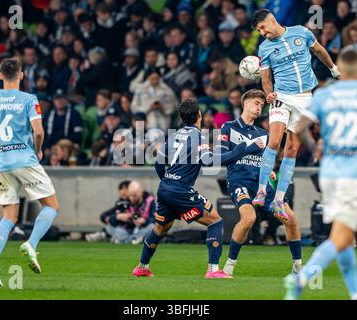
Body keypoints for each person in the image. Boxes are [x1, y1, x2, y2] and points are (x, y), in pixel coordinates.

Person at [286, 48, 357, 300]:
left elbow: (299, 127)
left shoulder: (324, 94)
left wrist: (315, 150)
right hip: (354, 175)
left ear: (339, 68)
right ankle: (300, 279)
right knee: (343, 235)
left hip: (329, 173)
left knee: (342, 233)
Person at [132, 98, 256, 279]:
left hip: (165, 187)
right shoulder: (199, 136)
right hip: (180, 190)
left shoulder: (174, 134)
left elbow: (158, 161)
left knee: (161, 228)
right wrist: (242, 150)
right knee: (215, 221)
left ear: (182, 118)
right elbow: (210, 159)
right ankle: (213, 271)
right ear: (199, 115)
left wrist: (167, 180)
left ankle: (142, 267)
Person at [0, 58, 60, 286]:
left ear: (1, 76)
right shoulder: (29, 99)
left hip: (3, 164)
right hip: (25, 159)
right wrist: (38, 150)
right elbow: (38, 131)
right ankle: (30, 244)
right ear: (21, 75)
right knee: (52, 206)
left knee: (9, 217)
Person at [251, 9, 339, 221]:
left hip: (304, 99)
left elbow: (319, 50)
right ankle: (262, 190)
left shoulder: (301, 32)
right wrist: (268, 92)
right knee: (274, 141)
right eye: (258, 30)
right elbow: (265, 77)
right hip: (281, 96)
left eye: (262, 27)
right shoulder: (264, 48)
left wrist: (334, 68)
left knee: (291, 149)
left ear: (272, 21)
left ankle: (279, 200)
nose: (262, 33)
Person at [218, 89, 302, 277]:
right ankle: (229, 265)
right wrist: (247, 148)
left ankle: (298, 266)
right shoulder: (228, 127)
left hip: (260, 185)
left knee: (291, 218)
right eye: (256, 103)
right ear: (245, 103)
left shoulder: (263, 134)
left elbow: (265, 159)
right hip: (239, 181)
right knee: (249, 218)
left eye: (261, 105)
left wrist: (269, 169)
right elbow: (221, 157)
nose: (259, 108)